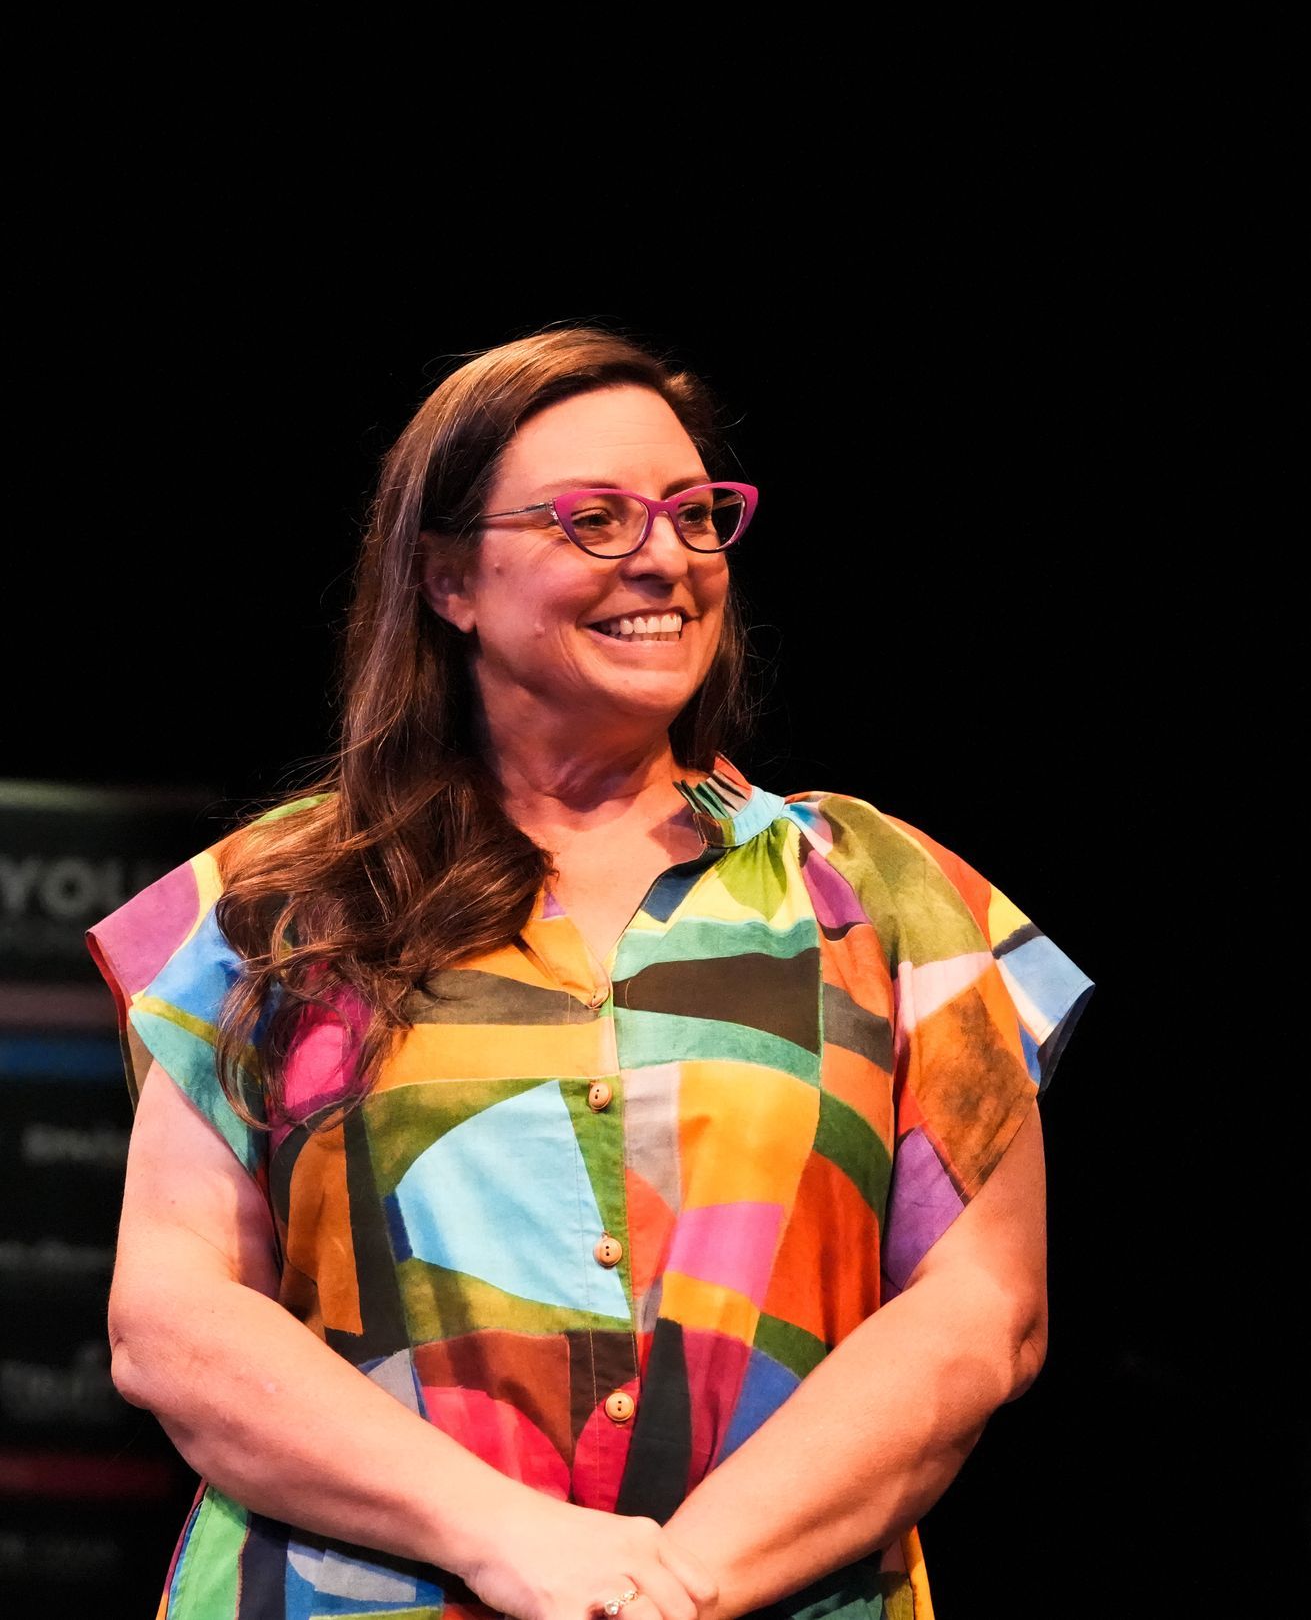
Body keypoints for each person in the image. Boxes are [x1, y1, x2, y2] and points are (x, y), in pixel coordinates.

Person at [89, 327, 1092, 1620]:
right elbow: (172, 1316)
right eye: (596, 520)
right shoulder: (273, 905)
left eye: (694, 514)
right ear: (449, 579)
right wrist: (510, 1542)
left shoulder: (885, 897)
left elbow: (982, 1311)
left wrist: (677, 1584)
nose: (665, 557)